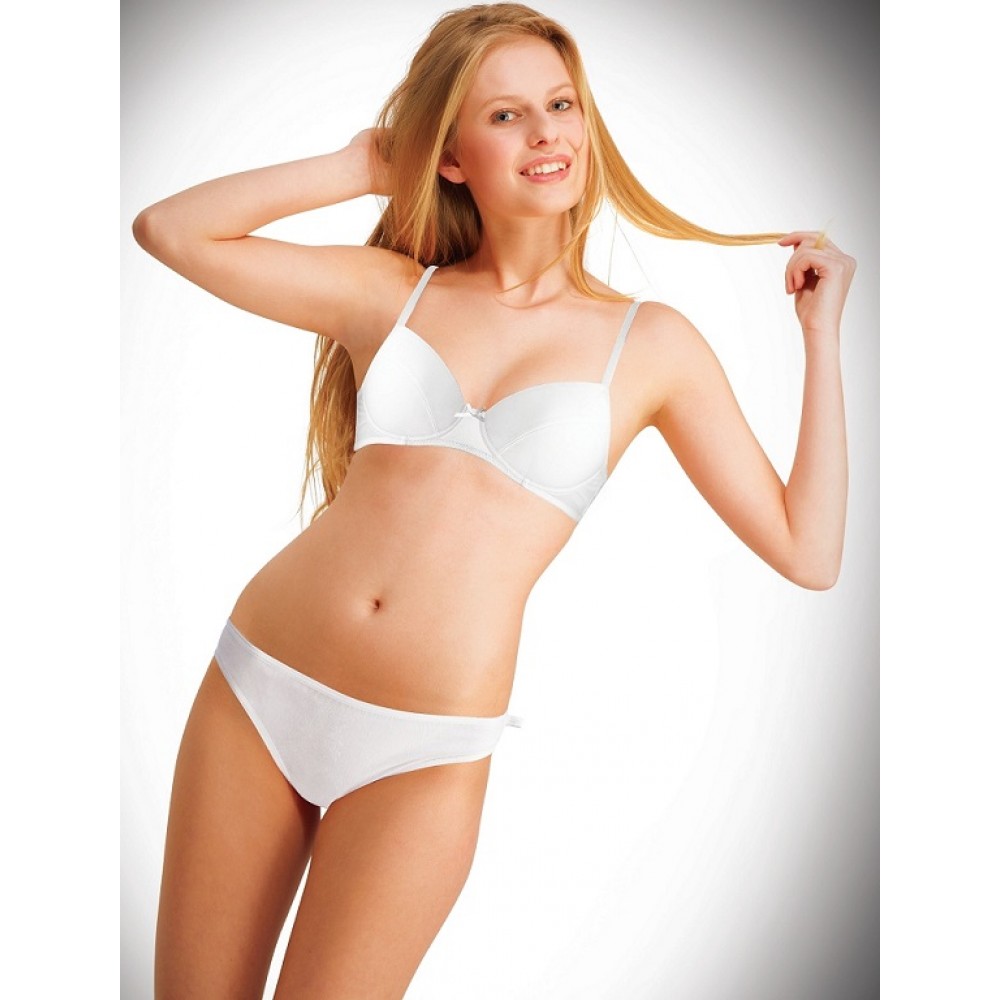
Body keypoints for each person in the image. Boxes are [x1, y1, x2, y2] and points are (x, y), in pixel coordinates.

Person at [132, 3, 854, 997]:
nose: (546, 133)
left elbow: (808, 551)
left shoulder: (651, 346)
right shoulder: (390, 293)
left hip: (423, 750)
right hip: (261, 684)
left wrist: (820, 338)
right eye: (505, 115)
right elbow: (168, 230)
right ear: (452, 155)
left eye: (560, 105)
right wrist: (362, 164)